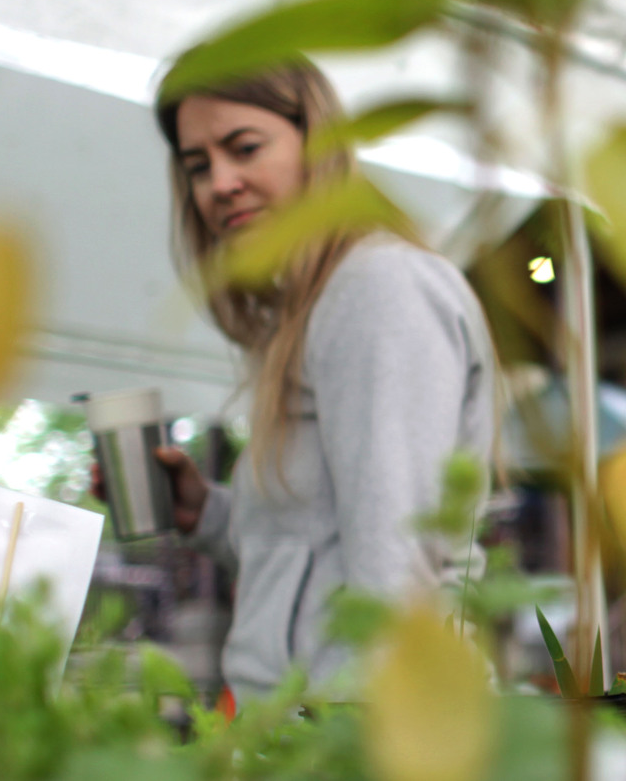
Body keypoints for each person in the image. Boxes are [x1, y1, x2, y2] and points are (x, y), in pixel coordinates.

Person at [145, 59, 495, 697]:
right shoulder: (316, 304)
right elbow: (308, 550)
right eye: (198, 166)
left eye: (245, 148)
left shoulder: (375, 288)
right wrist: (210, 515)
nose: (220, 183)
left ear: (320, 143)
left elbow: (398, 573)